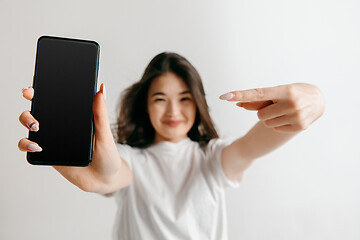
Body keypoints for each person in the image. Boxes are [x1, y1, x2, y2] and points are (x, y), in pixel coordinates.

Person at [18, 52, 326, 240]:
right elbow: (111, 173)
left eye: (184, 99)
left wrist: (312, 104)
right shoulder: (130, 160)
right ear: (144, 106)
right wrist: (95, 170)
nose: (173, 112)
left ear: (197, 103)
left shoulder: (213, 159)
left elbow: (255, 143)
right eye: (160, 100)